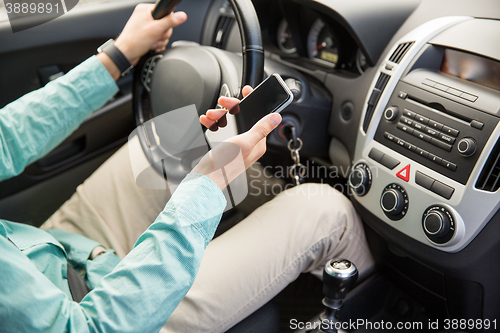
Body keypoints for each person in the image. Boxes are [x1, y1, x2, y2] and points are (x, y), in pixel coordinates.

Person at [0, 4, 374, 333]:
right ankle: (385, 314)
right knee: (327, 211)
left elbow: (6, 137)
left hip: (48, 252)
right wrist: (207, 185)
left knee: (176, 139)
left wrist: (119, 54)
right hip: (103, 314)